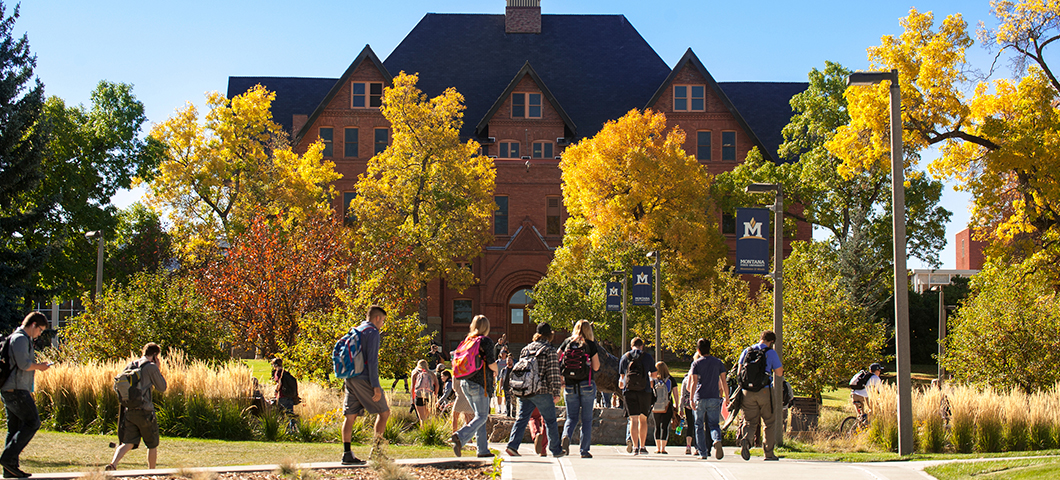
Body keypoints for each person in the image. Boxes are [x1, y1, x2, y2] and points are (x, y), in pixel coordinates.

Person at [1, 312, 51, 478]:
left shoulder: (22, 338)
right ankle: (7, 459)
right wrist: (39, 366)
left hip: (13, 389)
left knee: (14, 428)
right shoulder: (20, 339)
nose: (39, 334)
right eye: (40, 330)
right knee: (33, 422)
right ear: (34, 324)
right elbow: (23, 364)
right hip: (15, 390)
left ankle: (9, 469)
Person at [106, 342, 168, 471]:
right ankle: (151, 471)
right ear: (155, 355)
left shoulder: (132, 364)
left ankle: (113, 464)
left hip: (130, 410)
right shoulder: (151, 367)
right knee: (152, 444)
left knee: (128, 442)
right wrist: (158, 368)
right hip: (145, 411)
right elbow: (162, 387)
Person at [505, 322, 564, 457]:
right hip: (542, 390)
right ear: (550, 335)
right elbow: (553, 373)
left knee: (522, 418)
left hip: (525, 390)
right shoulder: (549, 350)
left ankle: (512, 445)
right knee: (550, 420)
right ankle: (556, 449)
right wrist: (556, 392)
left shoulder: (525, 349)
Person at [341, 305, 391, 465]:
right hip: (363, 378)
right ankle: (376, 452)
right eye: (382, 321)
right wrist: (376, 386)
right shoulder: (372, 332)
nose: (382, 324)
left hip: (349, 376)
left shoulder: (356, 330)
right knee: (384, 412)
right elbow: (372, 361)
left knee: (350, 416)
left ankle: (347, 454)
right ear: (377, 318)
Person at [450, 315, 498, 458]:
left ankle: (482, 450)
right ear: (486, 327)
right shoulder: (485, 341)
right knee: (482, 416)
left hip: (465, 382)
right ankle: (460, 436)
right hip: (480, 384)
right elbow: (491, 362)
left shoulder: (467, 341)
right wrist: (496, 370)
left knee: (479, 416)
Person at [737, 330, 783, 461]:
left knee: (749, 421)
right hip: (764, 391)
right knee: (769, 421)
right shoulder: (771, 353)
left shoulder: (747, 351)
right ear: (771, 342)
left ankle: (746, 440)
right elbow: (779, 373)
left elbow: (739, 371)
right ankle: (768, 452)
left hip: (747, 392)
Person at [558, 319, 601, 458]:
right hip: (586, 384)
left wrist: (561, 377)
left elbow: (556, 358)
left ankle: (566, 438)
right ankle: (584, 450)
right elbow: (596, 367)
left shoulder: (567, 342)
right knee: (587, 418)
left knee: (571, 417)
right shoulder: (590, 344)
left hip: (570, 384)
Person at [688, 338, 728, 460]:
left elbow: (694, 382)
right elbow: (723, 381)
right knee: (713, 424)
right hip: (714, 397)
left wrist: (691, 399)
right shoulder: (718, 363)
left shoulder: (696, 364)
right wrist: (727, 397)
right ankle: (716, 439)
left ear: (698, 350)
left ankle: (703, 452)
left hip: (700, 397)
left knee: (699, 425)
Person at [618, 337, 656, 456]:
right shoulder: (647, 357)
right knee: (643, 419)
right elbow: (654, 375)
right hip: (644, 391)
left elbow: (621, 379)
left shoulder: (625, 357)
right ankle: (643, 446)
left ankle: (635, 447)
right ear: (642, 346)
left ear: (631, 346)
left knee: (633, 419)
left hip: (629, 391)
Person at [652, 361, 676, 454]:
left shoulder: (654, 380)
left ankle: (657, 448)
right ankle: (663, 448)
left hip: (656, 406)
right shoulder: (671, 379)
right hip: (667, 406)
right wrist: (676, 405)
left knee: (657, 426)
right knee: (665, 427)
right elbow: (675, 394)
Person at [271, 358, 299, 432]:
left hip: (282, 396)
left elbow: (279, 383)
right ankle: (294, 430)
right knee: (290, 414)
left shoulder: (278, 373)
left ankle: (285, 430)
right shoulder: (286, 373)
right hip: (289, 397)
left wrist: (276, 390)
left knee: (281, 415)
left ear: (275, 365)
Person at [678, 355, 698, 455]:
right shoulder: (701, 376)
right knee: (698, 425)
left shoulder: (685, 380)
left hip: (688, 405)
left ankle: (688, 446)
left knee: (690, 424)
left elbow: (682, 395)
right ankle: (698, 447)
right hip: (699, 402)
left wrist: (680, 408)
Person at [411, 359, 437, 426]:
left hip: (419, 396)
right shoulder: (432, 374)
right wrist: (435, 395)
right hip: (429, 396)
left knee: (422, 418)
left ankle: (423, 432)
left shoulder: (415, 374)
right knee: (426, 417)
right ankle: (427, 431)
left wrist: (413, 399)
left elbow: (412, 387)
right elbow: (437, 385)